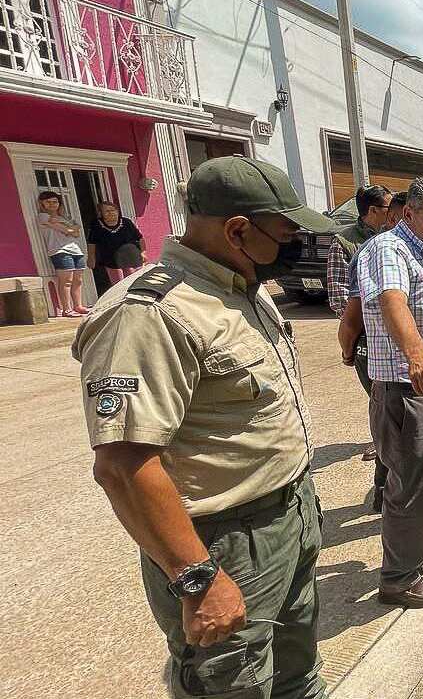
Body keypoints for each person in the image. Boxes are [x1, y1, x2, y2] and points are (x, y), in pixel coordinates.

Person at [72, 155, 333, 699]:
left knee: (295, 676)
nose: (294, 245)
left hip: (288, 513)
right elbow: (122, 466)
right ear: (238, 230)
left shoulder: (243, 284)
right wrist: (199, 578)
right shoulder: (149, 313)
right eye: (285, 233)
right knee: (232, 685)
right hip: (224, 540)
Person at [353, 177, 423, 609]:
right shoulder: (390, 250)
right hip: (406, 387)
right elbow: (391, 301)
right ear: (408, 214)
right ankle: (398, 579)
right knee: (407, 485)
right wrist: (418, 355)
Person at [328, 184, 396, 477]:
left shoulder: (393, 238)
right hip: (369, 339)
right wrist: (363, 328)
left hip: (397, 336)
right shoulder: (345, 243)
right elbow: (339, 297)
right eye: (388, 208)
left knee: (396, 405)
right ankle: (385, 470)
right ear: (373, 211)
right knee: (381, 401)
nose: (394, 213)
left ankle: (388, 471)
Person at [38, 191, 90, 316]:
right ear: (42, 203)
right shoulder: (42, 216)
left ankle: (78, 306)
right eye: (48, 202)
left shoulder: (65, 217)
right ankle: (67, 309)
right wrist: (68, 229)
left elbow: (76, 232)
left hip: (76, 250)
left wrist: (66, 227)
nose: (52, 204)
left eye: (55, 202)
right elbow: (69, 230)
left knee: (78, 280)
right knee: (66, 281)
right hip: (59, 250)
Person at [87, 201, 145, 285]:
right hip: (110, 259)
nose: (110, 213)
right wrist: (91, 258)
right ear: (101, 213)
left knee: (133, 281)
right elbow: (92, 242)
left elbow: (140, 238)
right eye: (106, 211)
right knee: (118, 285)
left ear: (117, 211)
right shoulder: (96, 225)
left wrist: (143, 253)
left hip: (129, 257)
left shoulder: (126, 222)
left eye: (113, 210)